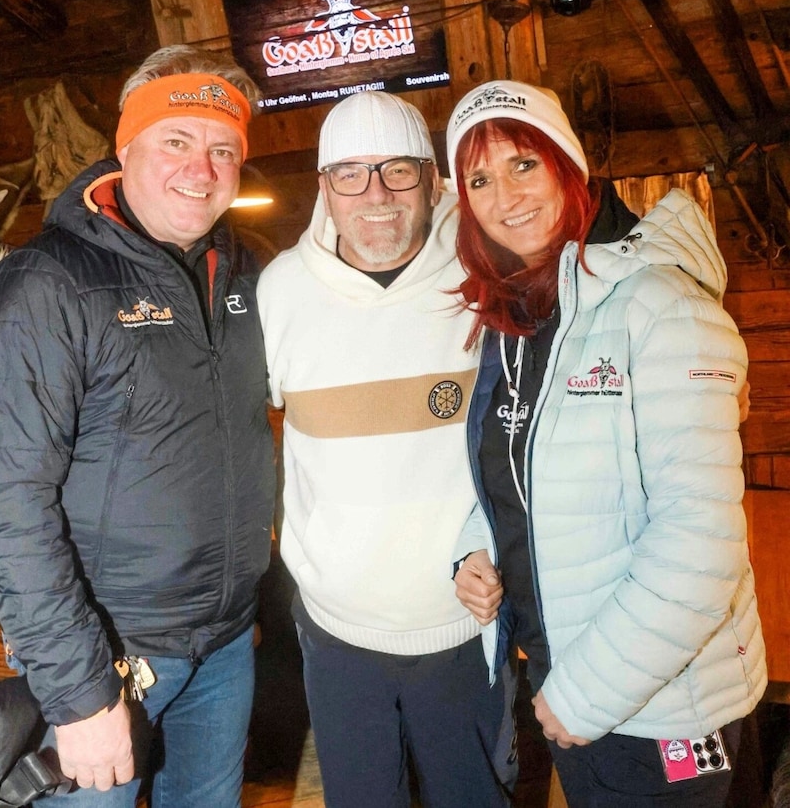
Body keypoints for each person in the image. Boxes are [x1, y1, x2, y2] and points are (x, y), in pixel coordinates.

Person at [447, 79, 767, 807]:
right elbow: (517, 470)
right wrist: (476, 550)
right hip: (565, 676)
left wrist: (588, 693)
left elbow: (700, 538)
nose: (506, 195)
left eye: (524, 163)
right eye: (479, 178)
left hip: (658, 706)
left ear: (568, 161)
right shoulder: (521, 318)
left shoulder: (663, 306)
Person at [0, 45, 276, 807]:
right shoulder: (48, 283)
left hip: (223, 649)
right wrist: (78, 692)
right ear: (125, 150)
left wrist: (239, 604)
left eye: (223, 149)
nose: (202, 168)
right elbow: (8, 501)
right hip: (105, 656)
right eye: (176, 142)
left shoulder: (244, 274)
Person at [256, 90, 517, 808]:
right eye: (350, 173)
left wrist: (497, 546)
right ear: (323, 188)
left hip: (465, 625)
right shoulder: (281, 293)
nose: (375, 194)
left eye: (397, 170)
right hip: (339, 634)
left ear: (433, 179)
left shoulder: (487, 277)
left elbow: (529, 438)